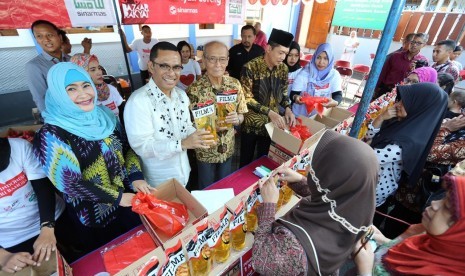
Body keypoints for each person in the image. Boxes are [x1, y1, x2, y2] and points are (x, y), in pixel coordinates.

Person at [33, 62, 151, 254]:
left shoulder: (105, 116)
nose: (83, 94)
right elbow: (70, 183)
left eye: (86, 85)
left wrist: (136, 176)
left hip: (130, 205)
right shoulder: (51, 134)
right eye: (71, 89)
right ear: (57, 94)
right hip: (94, 220)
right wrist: (118, 197)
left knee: (144, 255)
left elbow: (128, 149)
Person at [252, 130, 378, 275]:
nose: (310, 169)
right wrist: (301, 181)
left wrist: (268, 207)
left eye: (320, 166)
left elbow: (261, 260)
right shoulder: (355, 214)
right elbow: (329, 202)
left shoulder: (294, 248)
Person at [124, 42, 215, 187]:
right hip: (158, 183)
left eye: (176, 67)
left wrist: (200, 135)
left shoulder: (181, 95)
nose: (172, 73)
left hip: (184, 173)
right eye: (164, 66)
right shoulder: (138, 101)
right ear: (151, 66)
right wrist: (182, 144)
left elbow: (185, 127)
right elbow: (142, 146)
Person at [354, 162, 465, 275]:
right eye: (443, 198)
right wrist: (381, 240)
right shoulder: (428, 240)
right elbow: (401, 250)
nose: (434, 203)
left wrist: (365, 270)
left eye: (446, 207)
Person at [367, 83, 448, 237]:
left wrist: (368, 142)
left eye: (406, 101)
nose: (398, 104)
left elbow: (367, 155)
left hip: (371, 196)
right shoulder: (405, 125)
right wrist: (381, 118)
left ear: (420, 105)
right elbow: (370, 139)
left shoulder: (406, 142)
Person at [186, 41, 248, 188]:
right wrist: (211, 127)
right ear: (204, 60)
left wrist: (237, 119)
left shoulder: (234, 84)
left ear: (227, 60)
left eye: (222, 59)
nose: (217, 64)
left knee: (225, 186)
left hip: (228, 147)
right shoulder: (193, 90)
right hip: (205, 150)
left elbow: (242, 114)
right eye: (212, 59)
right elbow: (187, 125)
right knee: (206, 187)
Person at [0, 138, 66, 273]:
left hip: (53, 218)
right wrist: (3, 257)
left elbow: (43, 189)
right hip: (11, 241)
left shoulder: (19, 147)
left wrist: (47, 228)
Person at [239, 28, 296, 167]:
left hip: (272, 126)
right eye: (281, 52)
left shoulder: (283, 69)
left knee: (264, 162)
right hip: (251, 125)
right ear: (269, 48)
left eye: (286, 54)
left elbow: (283, 93)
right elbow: (246, 98)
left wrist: (288, 108)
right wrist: (269, 112)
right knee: (245, 161)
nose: (283, 57)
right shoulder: (250, 67)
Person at [26, 20, 71, 115]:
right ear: (36, 40)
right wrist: (53, 122)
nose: (46, 39)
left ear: (60, 37)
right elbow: (40, 98)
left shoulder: (72, 60)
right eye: (39, 36)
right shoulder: (34, 66)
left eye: (49, 35)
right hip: (60, 118)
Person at [291, 43, 342, 117]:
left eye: (325, 58)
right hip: (299, 116)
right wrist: (296, 97)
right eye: (318, 57)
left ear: (330, 59)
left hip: (318, 117)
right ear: (314, 57)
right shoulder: (305, 72)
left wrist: (335, 102)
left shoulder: (334, 75)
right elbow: (293, 94)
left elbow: (337, 95)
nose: (321, 62)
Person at [374, 33, 429, 98]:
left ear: (424, 45)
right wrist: (375, 88)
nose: (414, 45)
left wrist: (413, 71)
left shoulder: (423, 62)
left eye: (418, 43)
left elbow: (420, 83)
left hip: (404, 94)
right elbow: (383, 73)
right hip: (385, 90)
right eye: (413, 42)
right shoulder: (395, 56)